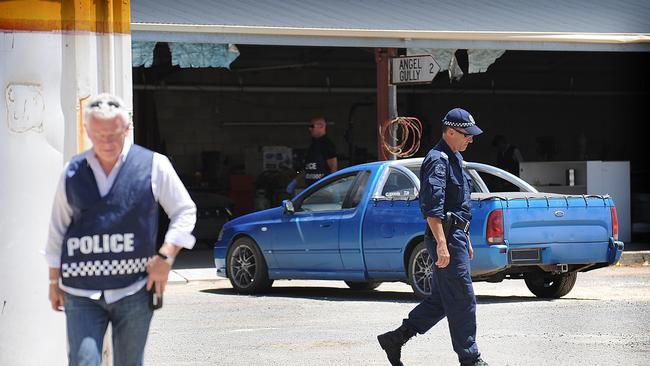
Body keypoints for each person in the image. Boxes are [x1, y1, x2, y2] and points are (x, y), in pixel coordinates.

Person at [45, 93, 197, 366]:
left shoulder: (153, 165)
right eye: (98, 134)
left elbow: (184, 211)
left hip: (134, 288)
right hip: (81, 290)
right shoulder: (72, 171)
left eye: (113, 134)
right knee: (83, 362)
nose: (106, 142)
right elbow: (58, 228)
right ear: (88, 131)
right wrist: (53, 281)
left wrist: (166, 256)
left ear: (127, 129)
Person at [377, 107, 488, 366]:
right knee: (463, 300)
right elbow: (432, 208)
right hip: (446, 238)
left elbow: (457, 204)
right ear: (450, 131)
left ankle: (396, 339)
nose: (470, 139)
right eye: (466, 134)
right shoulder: (438, 160)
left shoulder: (455, 158)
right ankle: (470, 359)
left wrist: (465, 236)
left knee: (442, 299)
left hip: (455, 236)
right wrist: (442, 244)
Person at [303, 116, 337, 187]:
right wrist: (296, 181)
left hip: (322, 189)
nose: (310, 129)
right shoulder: (312, 145)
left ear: (321, 126)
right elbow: (307, 168)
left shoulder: (327, 144)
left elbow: (333, 167)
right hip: (311, 188)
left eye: (312, 126)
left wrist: (329, 185)